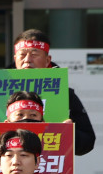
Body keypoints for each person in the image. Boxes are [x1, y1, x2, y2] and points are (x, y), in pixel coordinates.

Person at [6, 29, 96, 157]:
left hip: (52, 167)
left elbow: (87, 142)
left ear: (47, 60)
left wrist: (70, 134)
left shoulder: (64, 94)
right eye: (22, 55)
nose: (27, 60)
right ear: (15, 59)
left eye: (34, 54)